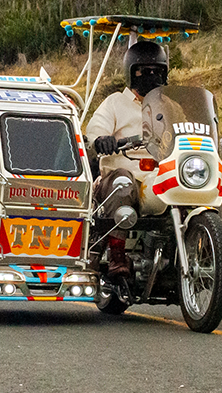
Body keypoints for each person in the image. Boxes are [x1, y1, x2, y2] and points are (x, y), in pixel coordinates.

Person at [84, 40, 167, 278]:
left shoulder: (169, 106)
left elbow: (186, 128)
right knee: (124, 182)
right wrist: (102, 139)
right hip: (122, 172)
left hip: (159, 173)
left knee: (204, 183)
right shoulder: (114, 103)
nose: (151, 76)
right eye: (144, 71)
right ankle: (116, 254)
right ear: (131, 73)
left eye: (157, 71)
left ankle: (211, 248)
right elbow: (96, 127)